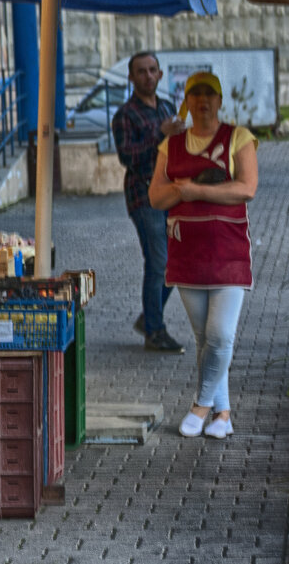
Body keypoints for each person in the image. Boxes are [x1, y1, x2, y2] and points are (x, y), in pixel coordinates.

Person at [148, 71, 258, 439]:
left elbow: (247, 188)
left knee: (221, 335)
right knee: (204, 339)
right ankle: (223, 415)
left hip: (228, 253)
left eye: (210, 93)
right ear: (188, 102)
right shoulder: (171, 146)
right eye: (195, 94)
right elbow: (155, 197)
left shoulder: (237, 137)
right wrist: (181, 193)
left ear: (220, 100)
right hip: (186, 254)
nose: (203, 101)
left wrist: (196, 190)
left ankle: (200, 405)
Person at [111, 51, 186, 353]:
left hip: (172, 192)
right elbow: (128, 157)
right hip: (144, 195)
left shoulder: (167, 107)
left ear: (161, 74)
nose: (148, 76)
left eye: (152, 70)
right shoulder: (125, 115)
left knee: (176, 264)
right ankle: (155, 331)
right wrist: (161, 134)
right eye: (141, 71)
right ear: (131, 77)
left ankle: (149, 317)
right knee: (159, 263)